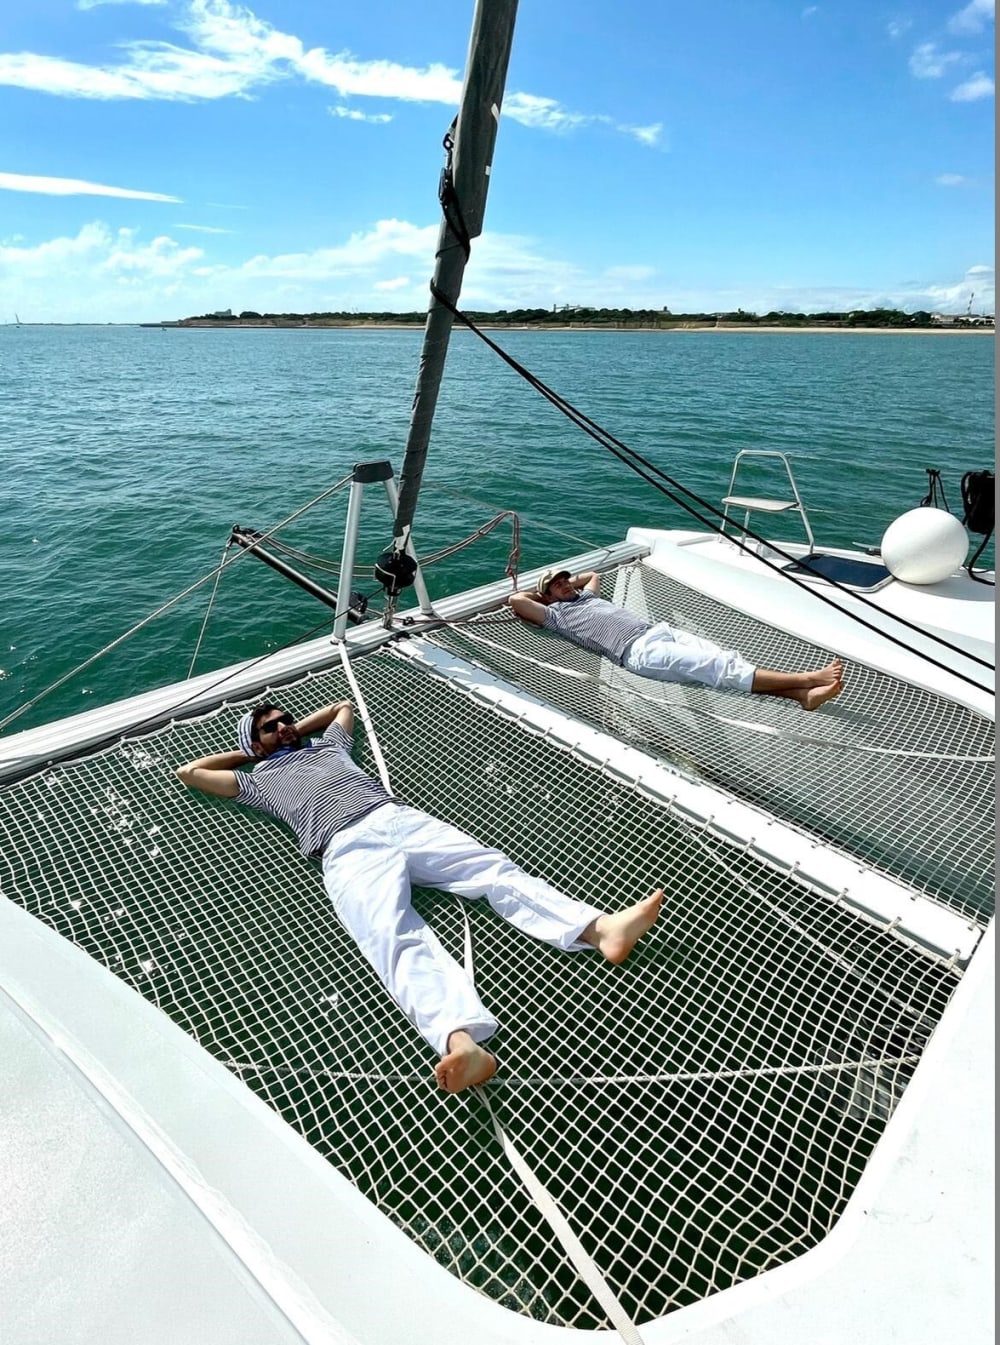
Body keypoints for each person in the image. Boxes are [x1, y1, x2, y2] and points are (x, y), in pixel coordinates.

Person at [176, 699, 663, 1095]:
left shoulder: (329, 749)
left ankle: (599, 929)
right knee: (393, 937)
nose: (284, 726)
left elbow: (341, 708)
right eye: (271, 726)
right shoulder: (255, 781)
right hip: (344, 848)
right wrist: (258, 752)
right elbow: (191, 772)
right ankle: (461, 1042)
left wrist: (288, 731)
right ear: (252, 744)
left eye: (286, 719)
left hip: (395, 818)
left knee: (490, 868)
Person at [509, 569, 844, 711]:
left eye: (567, 581)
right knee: (718, 666)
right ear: (547, 596)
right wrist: (544, 596)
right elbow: (517, 601)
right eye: (558, 585)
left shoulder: (585, 598)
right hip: (636, 651)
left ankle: (802, 695)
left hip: (659, 630)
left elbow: (593, 576)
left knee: (728, 661)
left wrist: (567, 585)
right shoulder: (556, 616)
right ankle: (807, 679)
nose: (567, 585)